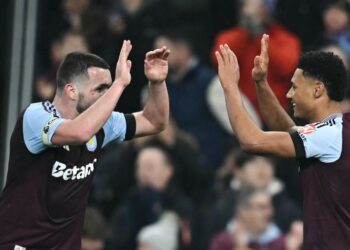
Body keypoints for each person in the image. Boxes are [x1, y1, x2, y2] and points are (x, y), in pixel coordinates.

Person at [0, 40, 170, 249]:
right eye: (100, 89)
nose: (108, 96)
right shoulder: (35, 117)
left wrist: (157, 82)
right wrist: (118, 84)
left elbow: (155, 121)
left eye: (109, 88)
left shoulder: (103, 124)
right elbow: (79, 132)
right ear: (71, 91)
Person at [215, 34, 350, 248]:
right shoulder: (333, 131)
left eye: (295, 87)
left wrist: (230, 87)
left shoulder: (328, 135)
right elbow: (286, 130)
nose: (288, 95)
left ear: (317, 90)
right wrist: (260, 82)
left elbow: (252, 141)